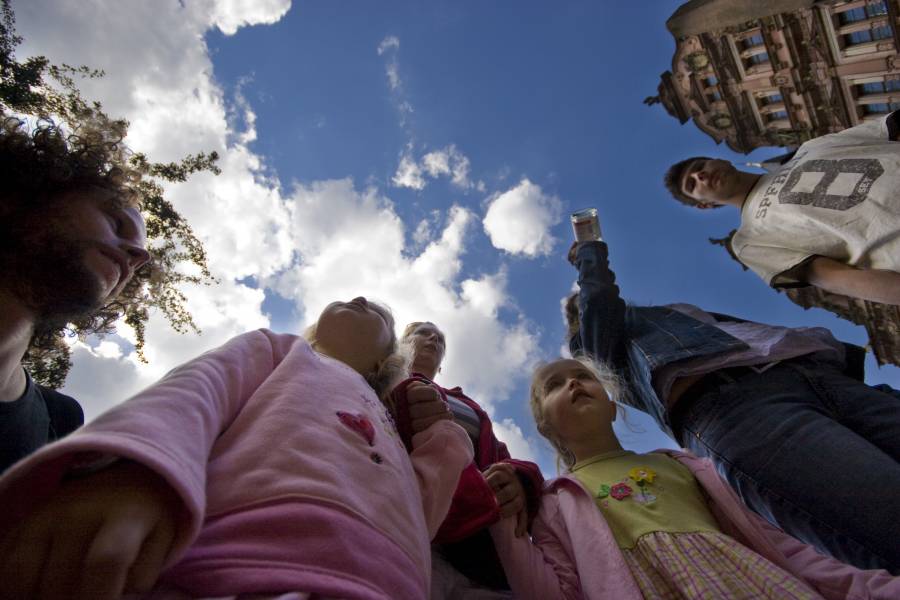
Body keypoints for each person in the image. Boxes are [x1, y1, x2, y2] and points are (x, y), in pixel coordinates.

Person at [0, 297, 474, 600]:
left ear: (385, 361)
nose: (361, 299)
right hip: (232, 564)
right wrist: (134, 471)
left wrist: (444, 440)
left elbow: (420, 509)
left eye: (381, 317)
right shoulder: (282, 351)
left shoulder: (387, 421)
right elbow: (197, 391)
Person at [565, 239, 900, 574]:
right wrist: (588, 256)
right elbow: (598, 301)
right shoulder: (594, 350)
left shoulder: (668, 315)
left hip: (816, 377)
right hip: (739, 409)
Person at [487, 356, 900, 599]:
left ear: (614, 407)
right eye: (555, 385)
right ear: (545, 427)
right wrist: (504, 522)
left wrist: (870, 586)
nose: (574, 381)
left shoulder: (685, 465)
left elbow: (781, 545)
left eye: (584, 376)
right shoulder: (555, 500)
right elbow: (556, 591)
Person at [0, 118, 152, 473]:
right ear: (16, 197)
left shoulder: (61, 424)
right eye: (116, 223)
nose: (139, 257)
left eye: (139, 258)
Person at [663, 109, 900, 305]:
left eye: (700, 165)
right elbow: (837, 277)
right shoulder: (748, 241)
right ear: (704, 205)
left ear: (720, 159)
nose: (701, 175)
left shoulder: (810, 148)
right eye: (692, 184)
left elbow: (890, 124)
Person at [390, 321, 544, 597]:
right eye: (421, 333)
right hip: (399, 534)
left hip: (476, 553)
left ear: (440, 368)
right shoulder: (376, 377)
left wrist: (520, 478)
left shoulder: (468, 405)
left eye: (439, 339)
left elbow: (501, 457)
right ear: (400, 344)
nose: (433, 338)